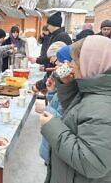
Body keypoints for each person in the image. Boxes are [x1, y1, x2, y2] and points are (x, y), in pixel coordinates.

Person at [40, 35, 111, 183]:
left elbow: (93, 163)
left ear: (91, 64)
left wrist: (53, 126)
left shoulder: (101, 105)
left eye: (74, 61)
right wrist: (66, 84)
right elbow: (76, 115)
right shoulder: (95, 93)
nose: (70, 65)